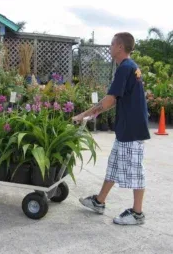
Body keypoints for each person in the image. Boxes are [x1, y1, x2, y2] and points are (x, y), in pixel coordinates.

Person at [72, 32, 151, 225]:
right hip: (127, 127)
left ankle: (137, 213)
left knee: (135, 171)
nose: (110, 47)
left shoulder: (125, 68)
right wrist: (94, 113)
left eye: (112, 44)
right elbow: (117, 99)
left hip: (131, 130)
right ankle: (99, 201)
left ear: (120, 47)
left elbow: (109, 100)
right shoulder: (131, 67)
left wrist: (83, 115)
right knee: (114, 165)